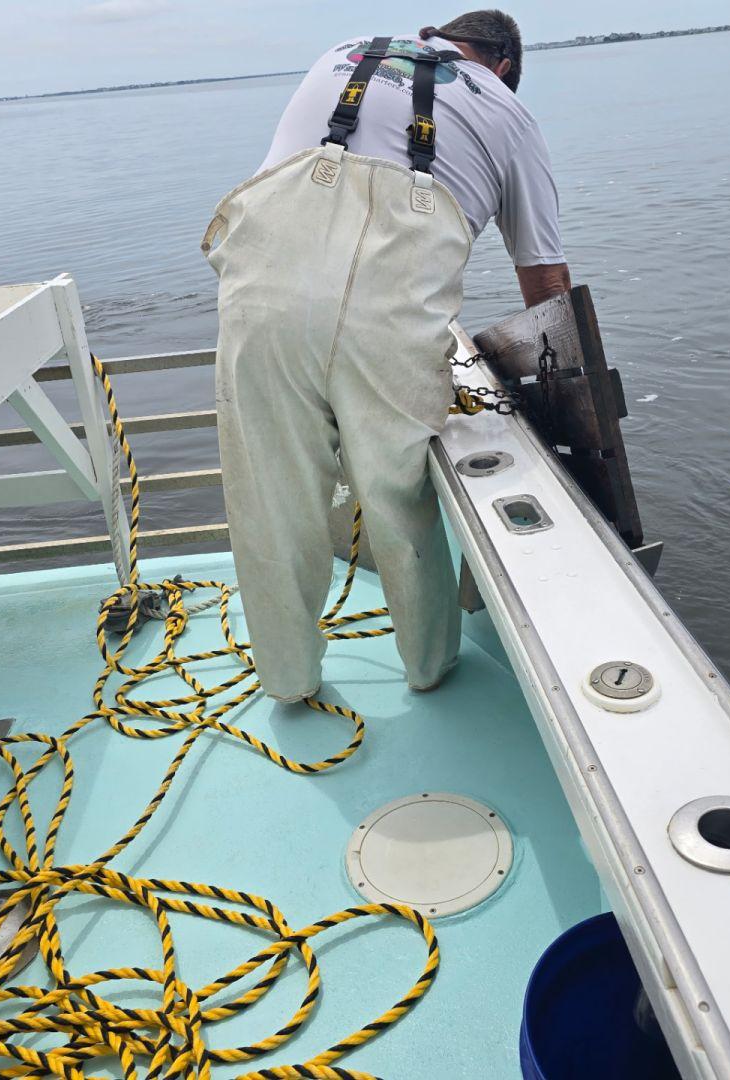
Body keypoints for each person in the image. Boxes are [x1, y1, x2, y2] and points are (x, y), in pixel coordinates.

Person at [202, 11, 571, 702]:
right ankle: (428, 668)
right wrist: (563, 401)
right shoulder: (509, 110)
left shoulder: (340, 50)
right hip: (389, 316)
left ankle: (286, 680)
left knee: (271, 500)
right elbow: (545, 284)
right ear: (505, 66)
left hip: (262, 292)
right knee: (400, 502)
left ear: (434, 39)